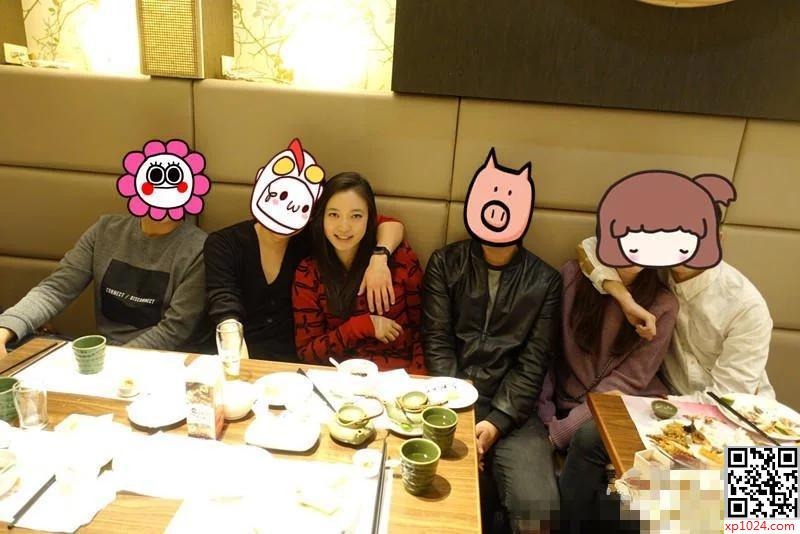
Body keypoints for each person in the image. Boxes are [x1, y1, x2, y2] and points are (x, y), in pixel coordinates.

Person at [423, 148, 559, 533]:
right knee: (445, 503)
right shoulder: (445, 263)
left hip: (514, 411)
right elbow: (437, 343)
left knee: (539, 512)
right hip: (449, 401)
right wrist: (458, 414)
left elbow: (533, 362)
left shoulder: (545, 281)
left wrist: (497, 421)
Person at [577, 170, 774, 400]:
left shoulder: (746, 306)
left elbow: (729, 399)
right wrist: (626, 300)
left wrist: (645, 404)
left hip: (735, 413)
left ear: (718, 240)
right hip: (664, 403)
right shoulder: (654, 268)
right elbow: (589, 247)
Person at [204, 139, 405, 362]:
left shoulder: (310, 235)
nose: (287, 209)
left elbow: (389, 224)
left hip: (291, 363)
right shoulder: (224, 243)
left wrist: (379, 259)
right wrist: (239, 362)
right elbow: (225, 309)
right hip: (236, 355)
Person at [537, 260, 677, 533]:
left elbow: (628, 382)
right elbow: (545, 351)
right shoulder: (573, 277)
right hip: (563, 403)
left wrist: (558, 433)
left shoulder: (663, 304)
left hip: (619, 407)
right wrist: (544, 417)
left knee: (589, 439)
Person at [0, 214, 208, 356]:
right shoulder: (105, 230)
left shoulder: (199, 248)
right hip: (104, 355)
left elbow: (175, 330)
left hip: (161, 360)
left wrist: (113, 362)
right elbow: (55, 290)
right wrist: (5, 328)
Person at [292, 172, 426, 373]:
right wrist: (360, 326)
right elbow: (308, 353)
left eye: (356, 216)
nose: (344, 227)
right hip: (338, 379)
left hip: (398, 378)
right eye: (333, 214)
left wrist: (417, 384)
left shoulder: (401, 260)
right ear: (321, 218)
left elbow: (424, 332)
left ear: (370, 219)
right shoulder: (308, 273)